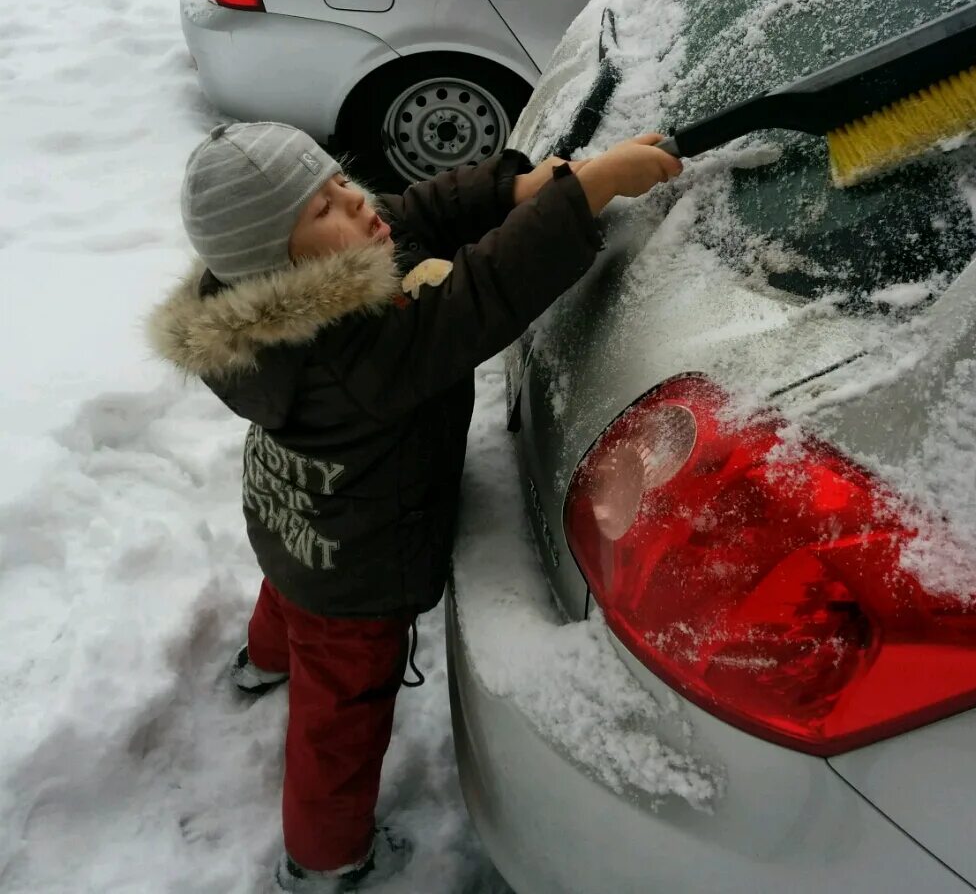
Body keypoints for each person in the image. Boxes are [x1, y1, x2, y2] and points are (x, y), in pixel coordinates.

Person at [147, 121, 682, 892]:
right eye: (324, 209)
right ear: (279, 261)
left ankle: (264, 661)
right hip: (359, 573)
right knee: (341, 714)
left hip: (300, 521)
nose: (357, 204)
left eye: (338, 181)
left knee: (293, 592)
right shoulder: (352, 355)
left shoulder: (279, 295)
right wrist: (581, 196)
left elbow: (411, 213)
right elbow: (482, 294)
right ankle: (323, 859)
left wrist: (513, 188)